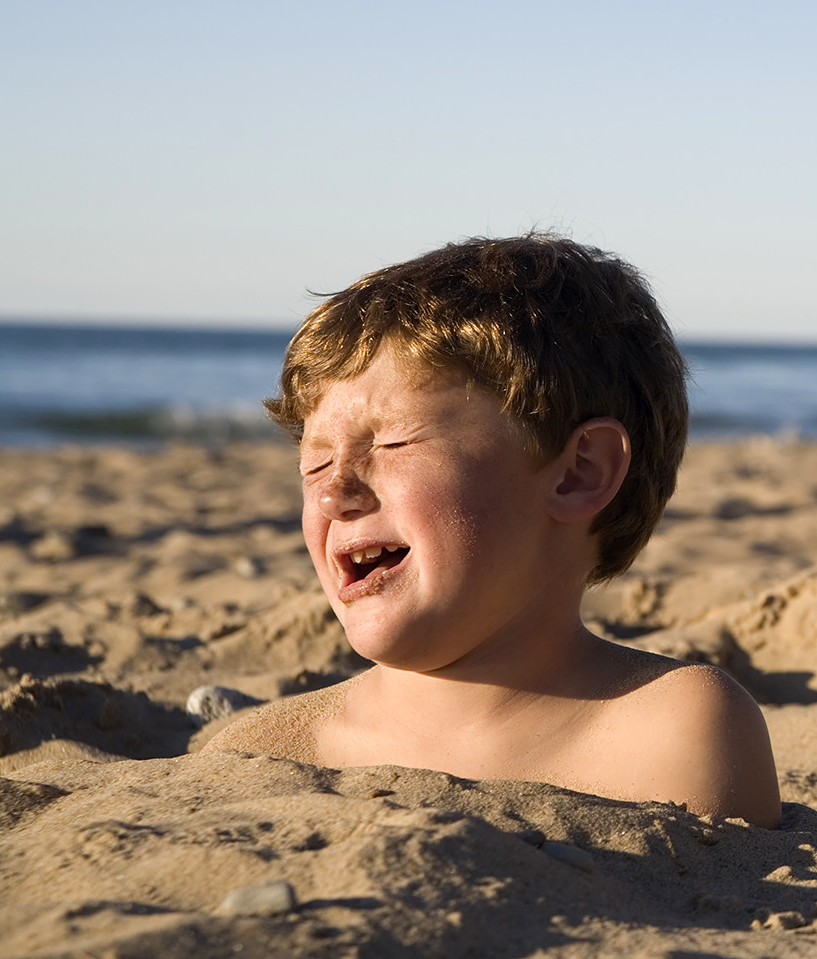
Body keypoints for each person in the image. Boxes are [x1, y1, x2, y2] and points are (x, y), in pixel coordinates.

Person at [204, 234, 782, 827]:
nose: (332, 490)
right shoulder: (264, 753)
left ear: (581, 472)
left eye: (394, 440)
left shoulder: (671, 726)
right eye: (315, 461)